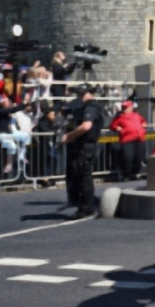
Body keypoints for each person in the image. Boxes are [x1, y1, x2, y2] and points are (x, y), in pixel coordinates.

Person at [60, 84, 103, 219]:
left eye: (81, 94)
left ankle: (86, 208)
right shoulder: (85, 107)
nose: (79, 96)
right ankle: (85, 204)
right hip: (82, 146)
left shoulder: (91, 107)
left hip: (86, 146)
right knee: (80, 176)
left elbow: (86, 126)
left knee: (84, 177)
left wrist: (69, 136)